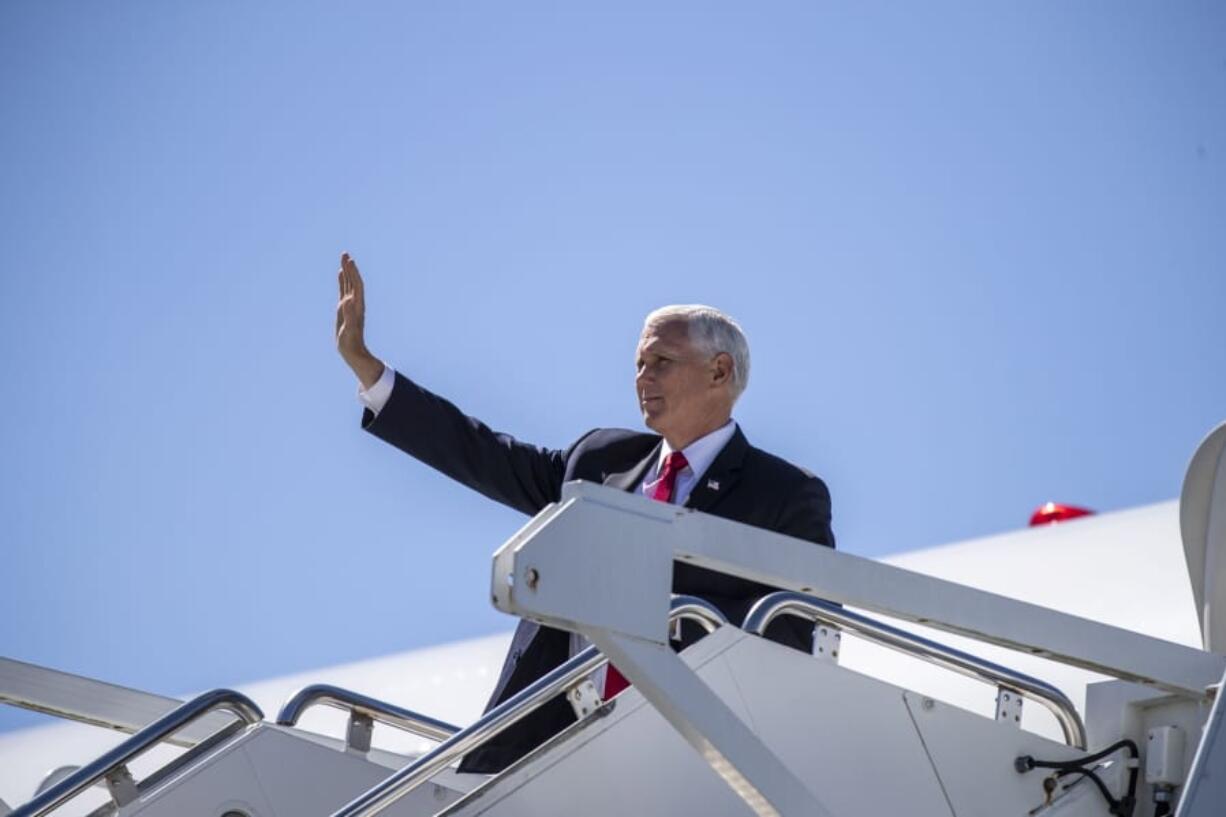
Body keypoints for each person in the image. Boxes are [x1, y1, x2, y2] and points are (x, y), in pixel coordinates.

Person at [334, 252, 835, 772]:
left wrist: (667, 622)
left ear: (719, 371)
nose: (643, 377)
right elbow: (486, 454)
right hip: (546, 752)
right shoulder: (600, 460)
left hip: (687, 759)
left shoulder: (784, 493)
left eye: (661, 362)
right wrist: (372, 373)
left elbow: (795, 636)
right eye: (639, 364)